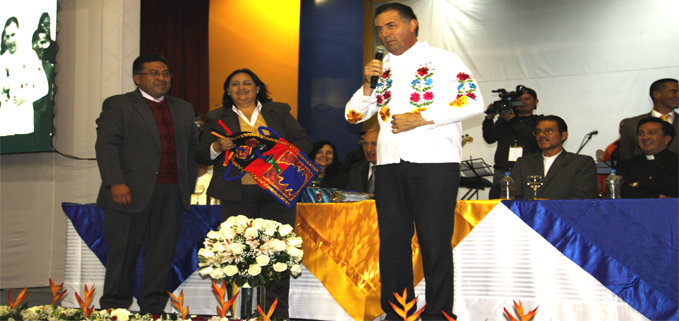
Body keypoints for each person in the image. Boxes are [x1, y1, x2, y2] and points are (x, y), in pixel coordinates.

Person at [345, 3, 484, 319]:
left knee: (435, 243)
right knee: (393, 243)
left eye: (391, 25)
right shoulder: (382, 69)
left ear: (413, 25)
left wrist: (422, 118)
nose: (385, 34)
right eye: (380, 28)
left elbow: (474, 101)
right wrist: (368, 84)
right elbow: (353, 115)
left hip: (434, 163)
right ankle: (398, 313)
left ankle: (438, 315)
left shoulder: (443, 60)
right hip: (389, 164)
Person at [194, 68, 312, 319]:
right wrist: (217, 146)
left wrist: (277, 150)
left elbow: (304, 143)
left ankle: (276, 315)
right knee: (237, 255)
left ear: (258, 88)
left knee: (278, 254)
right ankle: (239, 313)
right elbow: (201, 154)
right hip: (237, 196)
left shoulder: (277, 111)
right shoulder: (217, 117)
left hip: (278, 194)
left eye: (247, 83)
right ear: (228, 91)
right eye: (234, 84)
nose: (241, 87)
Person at [95, 53, 199, 313]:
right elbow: (107, 145)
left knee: (161, 257)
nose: (161, 78)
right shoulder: (119, 105)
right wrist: (115, 182)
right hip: (129, 192)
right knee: (123, 257)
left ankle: (153, 309)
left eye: (165, 73)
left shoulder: (183, 107)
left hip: (172, 192)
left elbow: (192, 147)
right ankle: (114, 309)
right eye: (153, 73)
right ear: (137, 78)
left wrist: (189, 177)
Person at [510, 115, 598, 199]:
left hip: (564, 213)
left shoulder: (581, 162)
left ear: (563, 135)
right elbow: (512, 195)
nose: (541, 135)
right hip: (528, 213)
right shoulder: (524, 163)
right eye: (538, 131)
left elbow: (582, 196)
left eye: (549, 131)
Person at [482, 87, 542, 196]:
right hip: (503, 171)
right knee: (500, 205)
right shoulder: (503, 121)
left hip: (529, 170)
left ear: (535, 102)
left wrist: (513, 120)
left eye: (527, 99)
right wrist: (489, 119)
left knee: (528, 204)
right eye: (519, 100)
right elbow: (489, 138)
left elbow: (535, 137)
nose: (523, 103)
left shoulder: (539, 121)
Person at [0, 17, 48, 137]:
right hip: (5, 127)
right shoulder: (2, 60)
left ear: (19, 34)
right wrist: (2, 88)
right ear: (4, 39)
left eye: (13, 35)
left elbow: (44, 87)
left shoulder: (30, 55)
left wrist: (26, 97)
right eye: (7, 36)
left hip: (24, 125)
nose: (10, 40)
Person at [617, 117, 678, 198]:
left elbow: (674, 188)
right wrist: (657, 196)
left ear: (667, 139)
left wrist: (639, 184)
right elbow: (622, 191)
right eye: (640, 133)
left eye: (651, 133)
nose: (645, 137)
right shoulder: (626, 164)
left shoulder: (676, 161)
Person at [619, 78, 678, 159]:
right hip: (642, 170)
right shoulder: (632, 124)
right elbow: (626, 158)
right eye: (674, 92)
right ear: (657, 94)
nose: (678, 96)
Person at [346, 128, 378, 193]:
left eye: (374, 144)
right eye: (365, 144)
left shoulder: (395, 170)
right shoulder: (356, 169)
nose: (369, 149)